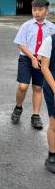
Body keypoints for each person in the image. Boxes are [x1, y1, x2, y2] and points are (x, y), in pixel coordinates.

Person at [11, 0, 55, 129]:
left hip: (43, 60)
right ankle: (18, 108)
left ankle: (35, 116)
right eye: (34, 10)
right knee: (23, 86)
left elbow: (51, 45)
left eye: (40, 10)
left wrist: (41, 57)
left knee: (37, 88)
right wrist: (33, 58)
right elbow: (21, 44)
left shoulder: (52, 27)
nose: (36, 13)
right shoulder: (26, 25)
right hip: (26, 58)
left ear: (47, 11)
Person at [38, 34, 55, 173]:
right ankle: (52, 155)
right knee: (54, 122)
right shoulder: (51, 40)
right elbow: (44, 67)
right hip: (52, 85)